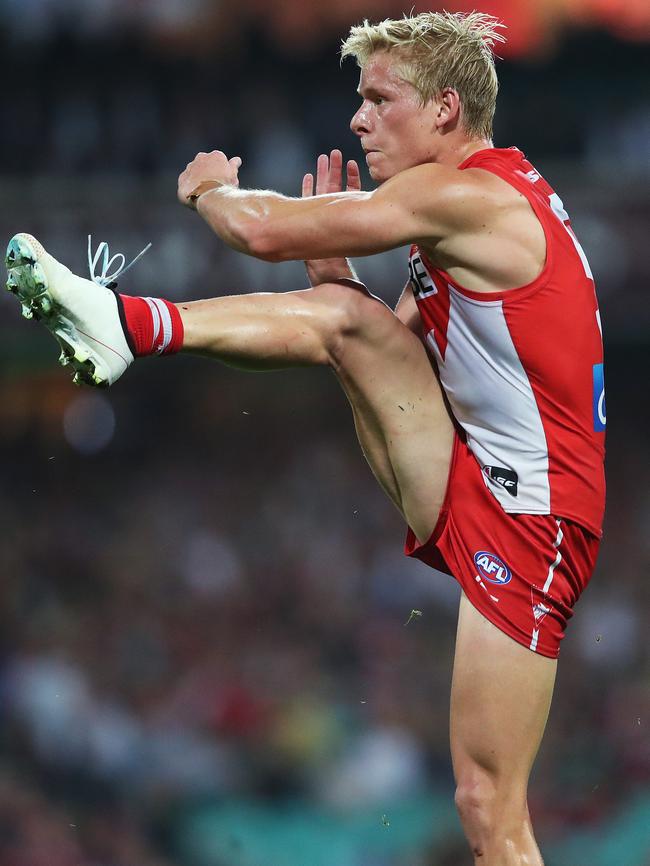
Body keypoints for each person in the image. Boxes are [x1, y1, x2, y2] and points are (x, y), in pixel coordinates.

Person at [5, 11, 605, 865]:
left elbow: (261, 230)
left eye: (377, 99)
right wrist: (342, 282)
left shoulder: (469, 196)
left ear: (443, 110)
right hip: (483, 473)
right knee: (344, 321)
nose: (359, 120)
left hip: (536, 520)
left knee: (487, 808)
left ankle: (124, 323)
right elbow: (393, 346)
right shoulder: (456, 212)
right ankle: (127, 325)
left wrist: (212, 187)